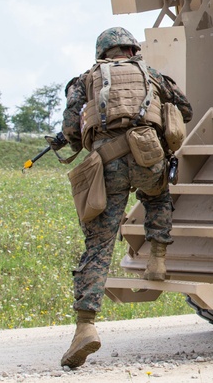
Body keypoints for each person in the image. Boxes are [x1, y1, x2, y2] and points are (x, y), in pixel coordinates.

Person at [58, 27, 193, 369]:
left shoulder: (84, 80)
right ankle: (157, 257)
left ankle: (86, 326)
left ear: (101, 52)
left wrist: (71, 138)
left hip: (108, 166)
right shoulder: (153, 74)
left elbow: (74, 132)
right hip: (149, 156)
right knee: (158, 194)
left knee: (99, 245)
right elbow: (185, 110)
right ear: (133, 50)